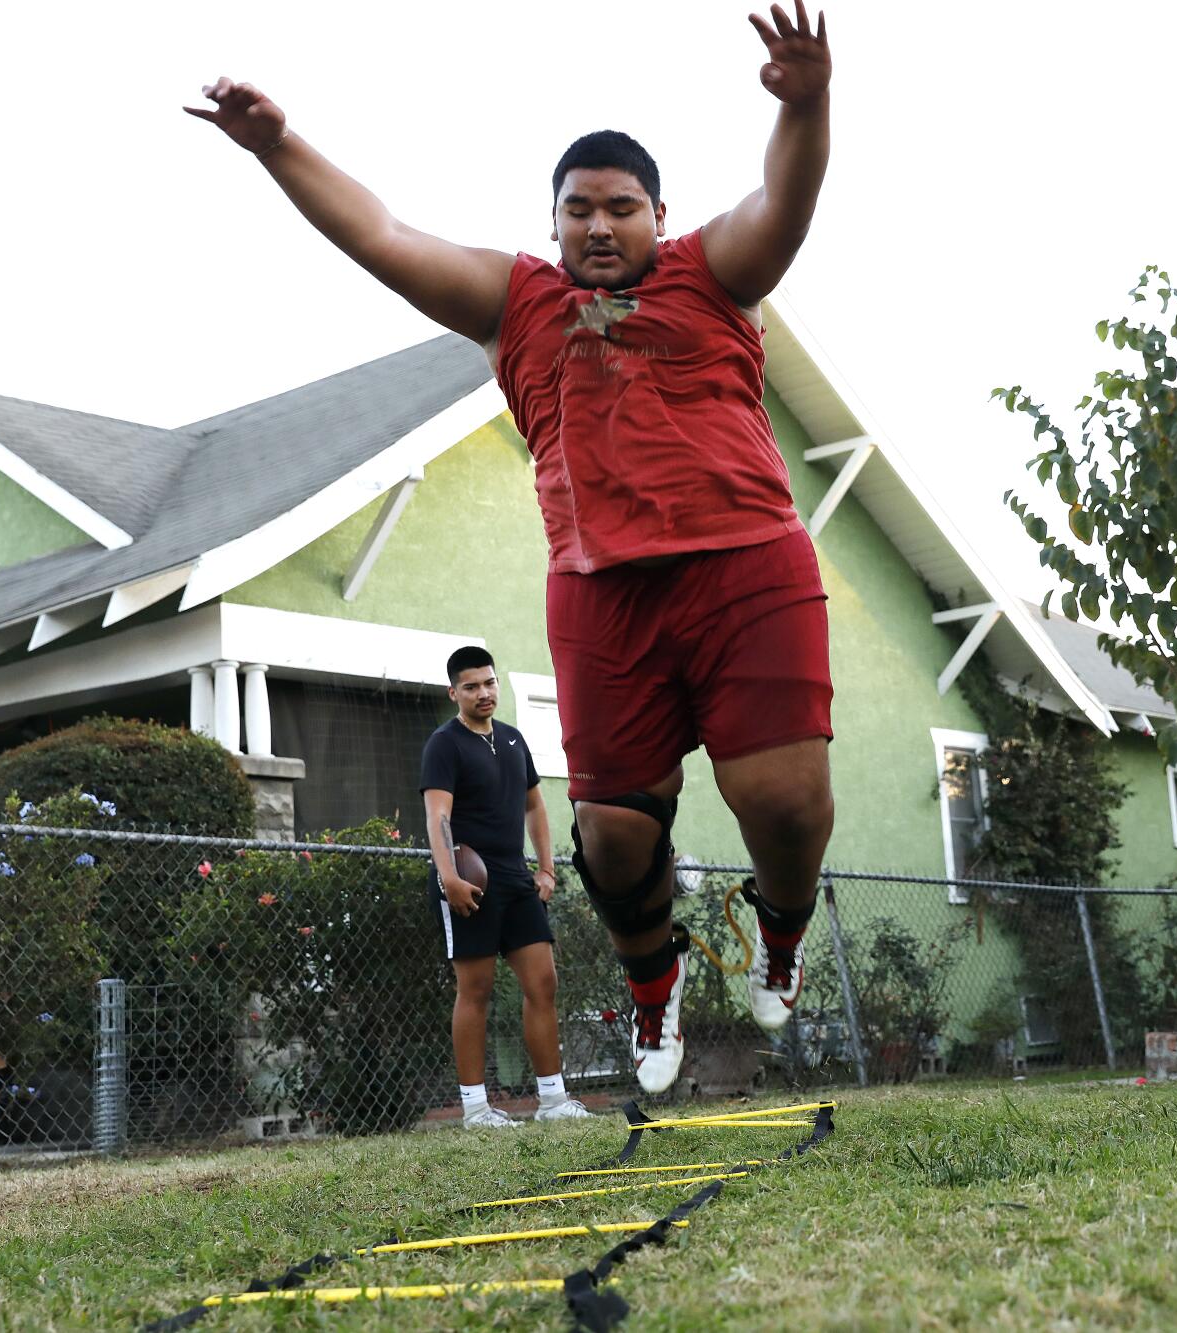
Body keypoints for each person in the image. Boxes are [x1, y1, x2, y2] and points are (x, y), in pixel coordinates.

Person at [189, 2, 837, 1094]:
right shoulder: (516, 303)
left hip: (745, 567)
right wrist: (277, 148)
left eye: (620, 210)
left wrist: (806, 104)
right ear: (551, 227)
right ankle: (649, 986)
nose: (598, 227)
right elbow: (384, 235)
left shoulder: (710, 273)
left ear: (657, 216)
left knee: (778, 798)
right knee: (613, 840)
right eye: (576, 211)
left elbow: (785, 199)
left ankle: (779, 929)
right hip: (601, 595)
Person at [421, 646, 591, 1127]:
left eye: (490, 683)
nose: (484, 693)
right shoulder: (445, 744)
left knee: (543, 983)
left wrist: (546, 869)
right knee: (475, 989)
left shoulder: (515, 741)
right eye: (471, 686)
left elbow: (534, 807)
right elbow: (438, 815)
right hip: (468, 880)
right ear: (454, 692)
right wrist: (448, 877)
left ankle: (554, 1101)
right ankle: (476, 1108)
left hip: (517, 879)